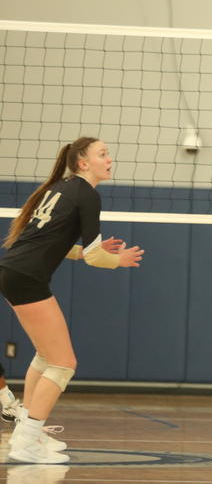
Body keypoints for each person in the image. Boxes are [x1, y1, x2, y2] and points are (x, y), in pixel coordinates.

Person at [0, 138, 144, 463]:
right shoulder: (87, 194)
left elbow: (59, 245)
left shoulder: (61, 188)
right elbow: (95, 258)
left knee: (47, 356)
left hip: (13, 272)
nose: (109, 159)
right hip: (26, 277)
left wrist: (89, 251)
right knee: (64, 364)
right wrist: (117, 260)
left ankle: (28, 433)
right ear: (83, 163)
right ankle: (26, 442)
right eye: (102, 154)